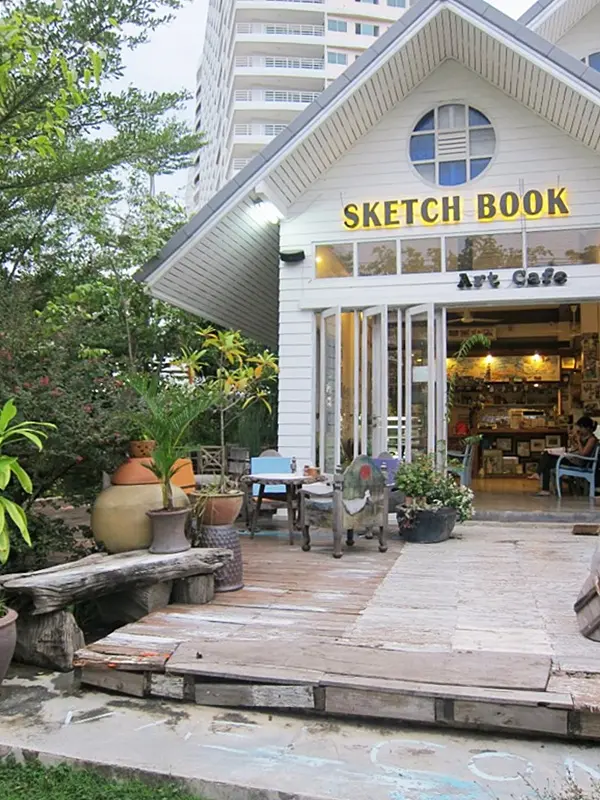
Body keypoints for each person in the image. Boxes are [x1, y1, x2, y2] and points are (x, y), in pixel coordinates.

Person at [532, 416, 598, 496]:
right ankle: (540, 478)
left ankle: (540, 479)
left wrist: (578, 441)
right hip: (574, 459)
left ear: (587, 428)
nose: (579, 430)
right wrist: (573, 439)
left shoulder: (591, 439)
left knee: (548, 461)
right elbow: (575, 449)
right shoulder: (583, 437)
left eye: (581, 427)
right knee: (547, 456)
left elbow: (583, 453)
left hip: (579, 462)